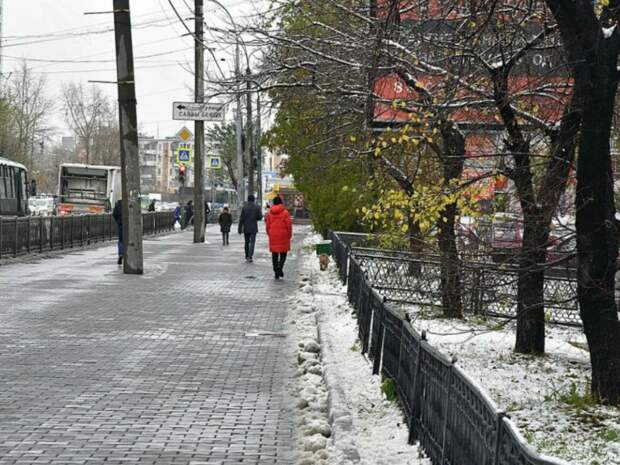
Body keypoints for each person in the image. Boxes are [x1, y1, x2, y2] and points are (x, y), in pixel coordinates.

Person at [265, 196, 293, 279]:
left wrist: (269, 233)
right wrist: (289, 234)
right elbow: (289, 225)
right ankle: (279, 268)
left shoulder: (270, 213)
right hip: (283, 235)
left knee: (274, 254)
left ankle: (276, 270)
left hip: (273, 235)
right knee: (283, 253)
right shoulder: (285, 212)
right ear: (281, 203)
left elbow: (267, 225)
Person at [238, 194, 262, 262]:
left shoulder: (244, 207)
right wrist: (255, 217)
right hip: (253, 227)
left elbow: (241, 219)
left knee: (246, 242)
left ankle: (246, 255)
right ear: (254, 199)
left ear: (248, 199)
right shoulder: (257, 207)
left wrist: (239, 229)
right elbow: (260, 217)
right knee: (252, 242)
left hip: (246, 227)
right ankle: (250, 256)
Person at [112, 199, 123, 265]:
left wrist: (118, 221)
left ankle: (120, 254)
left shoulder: (118, 203)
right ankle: (128, 254)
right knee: (129, 239)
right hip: (129, 224)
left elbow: (114, 214)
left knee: (121, 240)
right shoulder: (131, 202)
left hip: (121, 224)